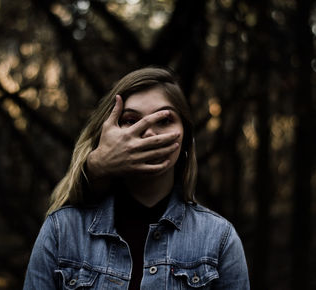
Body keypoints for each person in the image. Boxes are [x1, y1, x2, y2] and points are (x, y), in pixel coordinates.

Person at [23, 67, 250, 289]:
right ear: (106, 136)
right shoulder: (61, 230)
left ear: (185, 138)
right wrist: (94, 165)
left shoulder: (219, 239)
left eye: (163, 120)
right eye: (131, 120)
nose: (149, 133)